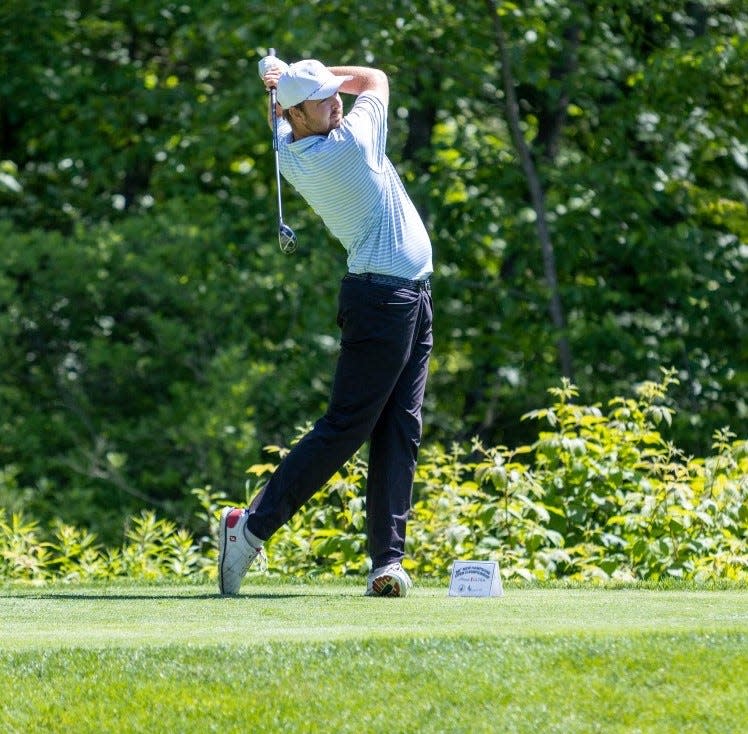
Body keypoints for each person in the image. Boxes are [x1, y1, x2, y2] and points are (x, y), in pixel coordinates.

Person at [218, 53, 433, 597]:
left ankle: (387, 562)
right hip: (384, 301)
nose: (337, 100)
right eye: (321, 100)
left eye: (334, 92)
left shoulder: (287, 146)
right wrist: (288, 73)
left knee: (398, 428)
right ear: (298, 115)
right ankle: (252, 529)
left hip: (404, 294)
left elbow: (279, 109)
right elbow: (377, 79)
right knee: (347, 427)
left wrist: (282, 79)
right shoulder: (351, 146)